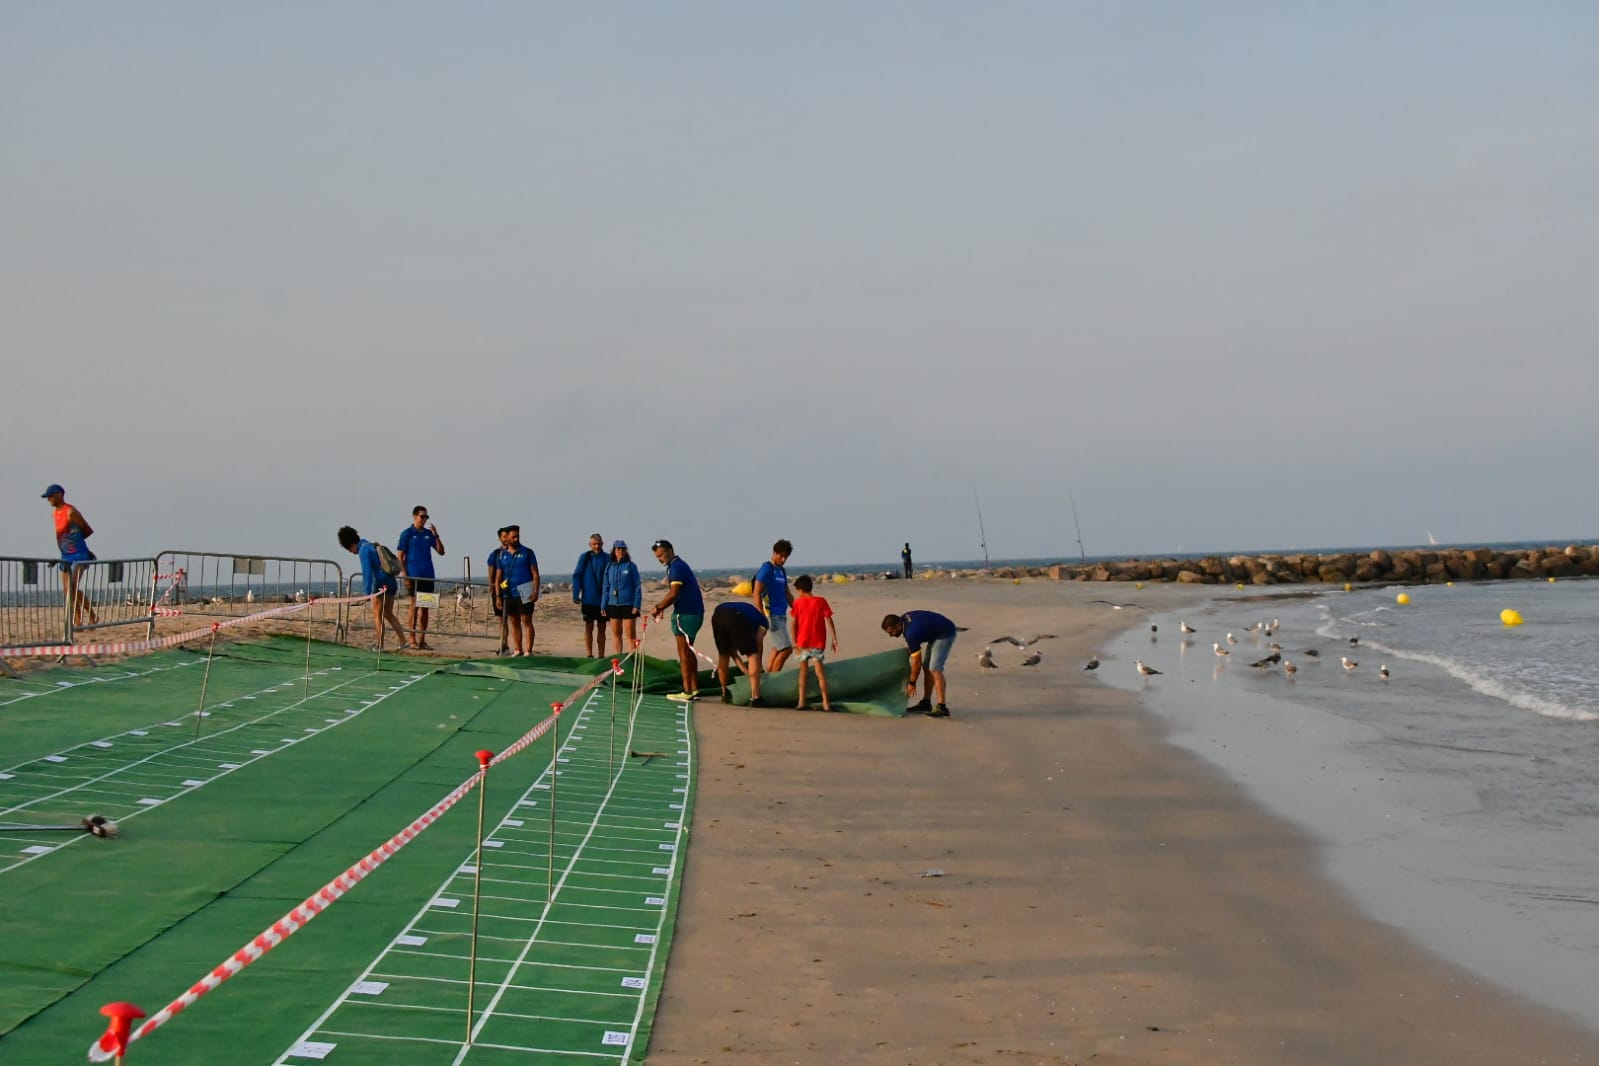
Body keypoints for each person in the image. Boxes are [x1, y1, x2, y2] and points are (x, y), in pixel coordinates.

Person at [337, 525, 409, 651]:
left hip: (380, 583)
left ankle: (379, 644)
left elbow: (367, 573)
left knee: (377, 615)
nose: (351, 552)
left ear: (351, 545)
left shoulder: (363, 550)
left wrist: (366, 593)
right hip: (391, 581)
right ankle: (403, 641)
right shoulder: (371, 545)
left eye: (349, 549)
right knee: (388, 614)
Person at [649, 539, 704, 702]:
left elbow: (674, 593)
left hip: (686, 615)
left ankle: (686, 691)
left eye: (661, 555)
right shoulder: (678, 565)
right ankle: (694, 689)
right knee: (689, 649)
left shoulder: (676, 567)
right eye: (657, 557)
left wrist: (658, 607)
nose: (660, 559)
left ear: (670, 550)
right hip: (694, 612)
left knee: (684, 652)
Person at [881, 609, 958, 718]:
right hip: (936, 631)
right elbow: (918, 635)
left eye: (891, 632)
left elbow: (916, 662)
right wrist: (912, 649)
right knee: (926, 667)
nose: (891, 635)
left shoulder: (911, 633)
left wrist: (912, 683)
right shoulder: (903, 620)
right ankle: (926, 703)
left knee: (935, 668)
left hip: (945, 634)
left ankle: (942, 707)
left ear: (898, 626)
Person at [42, 484, 97, 628]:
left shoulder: (71, 511)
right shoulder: (54, 514)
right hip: (65, 555)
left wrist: (75, 540)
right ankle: (84, 618)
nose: (49, 499)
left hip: (79, 554)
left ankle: (86, 618)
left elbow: (87, 530)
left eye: (50, 496)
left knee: (73, 586)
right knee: (68, 590)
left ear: (59, 494)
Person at [397, 505, 445, 650]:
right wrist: (405, 576)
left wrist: (436, 535)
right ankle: (412, 639)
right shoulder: (407, 533)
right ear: (415, 516)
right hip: (413, 575)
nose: (424, 519)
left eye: (426, 517)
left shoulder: (428, 533)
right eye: (422, 516)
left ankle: (422, 639)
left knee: (426, 609)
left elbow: (441, 552)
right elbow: (399, 556)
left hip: (428, 576)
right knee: (414, 607)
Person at [790, 574, 839, 711]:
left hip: (802, 643)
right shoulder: (821, 601)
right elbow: (829, 620)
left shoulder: (798, 603)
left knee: (803, 673)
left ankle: (801, 701)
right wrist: (834, 639)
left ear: (800, 590)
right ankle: (825, 702)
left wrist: (794, 642)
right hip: (817, 643)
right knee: (820, 674)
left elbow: (794, 624)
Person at [710, 601, 768, 706]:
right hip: (735, 616)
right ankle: (756, 697)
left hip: (718, 615)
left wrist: (745, 671)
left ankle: (724, 692)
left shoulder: (752, 616)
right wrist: (757, 669)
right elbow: (757, 645)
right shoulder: (764, 623)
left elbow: (733, 653)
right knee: (752, 654)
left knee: (723, 655)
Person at [752, 538, 794, 673]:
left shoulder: (781, 570)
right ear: (774, 553)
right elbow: (756, 592)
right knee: (786, 649)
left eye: (786, 557)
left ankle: (768, 675)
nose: (783, 559)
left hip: (782, 614)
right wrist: (760, 615)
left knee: (777, 648)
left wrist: (800, 610)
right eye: (781, 556)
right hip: (771, 615)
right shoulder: (767, 568)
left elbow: (787, 593)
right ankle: (775, 678)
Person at [497, 525, 539, 656]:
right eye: (513, 536)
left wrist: (535, 590)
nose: (516, 539)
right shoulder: (502, 555)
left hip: (525, 589)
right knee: (513, 621)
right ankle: (518, 649)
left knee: (526, 620)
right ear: (507, 538)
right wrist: (498, 595)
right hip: (509, 592)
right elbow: (498, 576)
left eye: (517, 536)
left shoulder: (527, 552)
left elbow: (535, 573)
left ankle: (529, 650)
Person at [572, 532, 611, 657]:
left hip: (603, 600)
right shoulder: (585, 557)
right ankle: (589, 654)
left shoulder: (607, 558)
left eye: (598, 544)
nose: (596, 546)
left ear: (602, 544)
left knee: (602, 628)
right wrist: (575, 594)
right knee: (589, 627)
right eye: (594, 544)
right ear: (590, 544)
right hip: (588, 599)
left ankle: (601, 655)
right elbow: (577, 575)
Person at [602, 539, 642, 652]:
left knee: (630, 634)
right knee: (616, 633)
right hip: (613, 604)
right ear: (614, 550)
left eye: (623, 548)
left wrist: (636, 604)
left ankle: (632, 659)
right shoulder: (609, 566)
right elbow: (605, 586)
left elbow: (637, 586)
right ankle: (617, 659)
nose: (620, 551)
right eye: (618, 548)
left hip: (628, 604)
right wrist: (603, 604)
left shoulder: (630, 566)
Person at [487, 527, 511, 655]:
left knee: (517, 618)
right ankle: (504, 644)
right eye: (503, 536)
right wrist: (494, 591)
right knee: (502, 619)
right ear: (500, 538)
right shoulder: (495, 554)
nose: (506, 539)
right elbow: (491, 574)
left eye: (508, 536)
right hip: (500, 590)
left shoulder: (517, 552)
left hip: (514, 589)